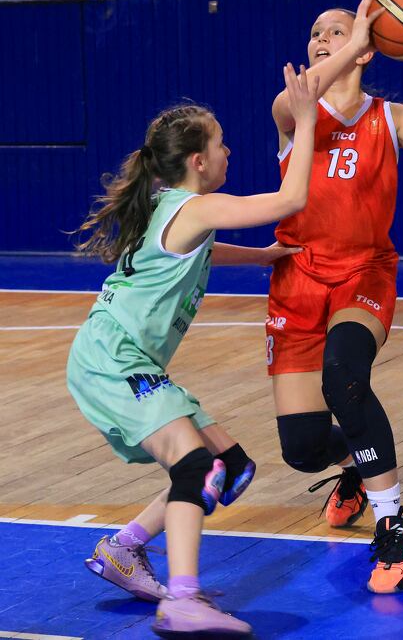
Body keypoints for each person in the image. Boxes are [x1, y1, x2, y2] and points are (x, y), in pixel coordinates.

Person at [66, 60, 330, 636]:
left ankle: (124, 547)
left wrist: (261, 257)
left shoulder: (169, 206)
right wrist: (306, 121)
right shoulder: (196, 206)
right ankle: (182, 600)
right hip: (113, 361)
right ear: (197, 161)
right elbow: (291, 199)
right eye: (221, 143)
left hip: (118, 357)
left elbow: (200, 247)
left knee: (230, 467)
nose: (228, 151)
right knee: (195, 466)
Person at [267, 0, 403, 594]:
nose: (321, 38)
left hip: (364, 273)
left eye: (336, 31)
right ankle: (357, 469)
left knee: (344, 376)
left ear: (368, 46)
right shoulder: (294, 108)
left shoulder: (391, 117)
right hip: (297, 280)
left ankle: (395, 525)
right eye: (316, 32)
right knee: (302, 448)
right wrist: (354, 43)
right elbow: (298, 97)